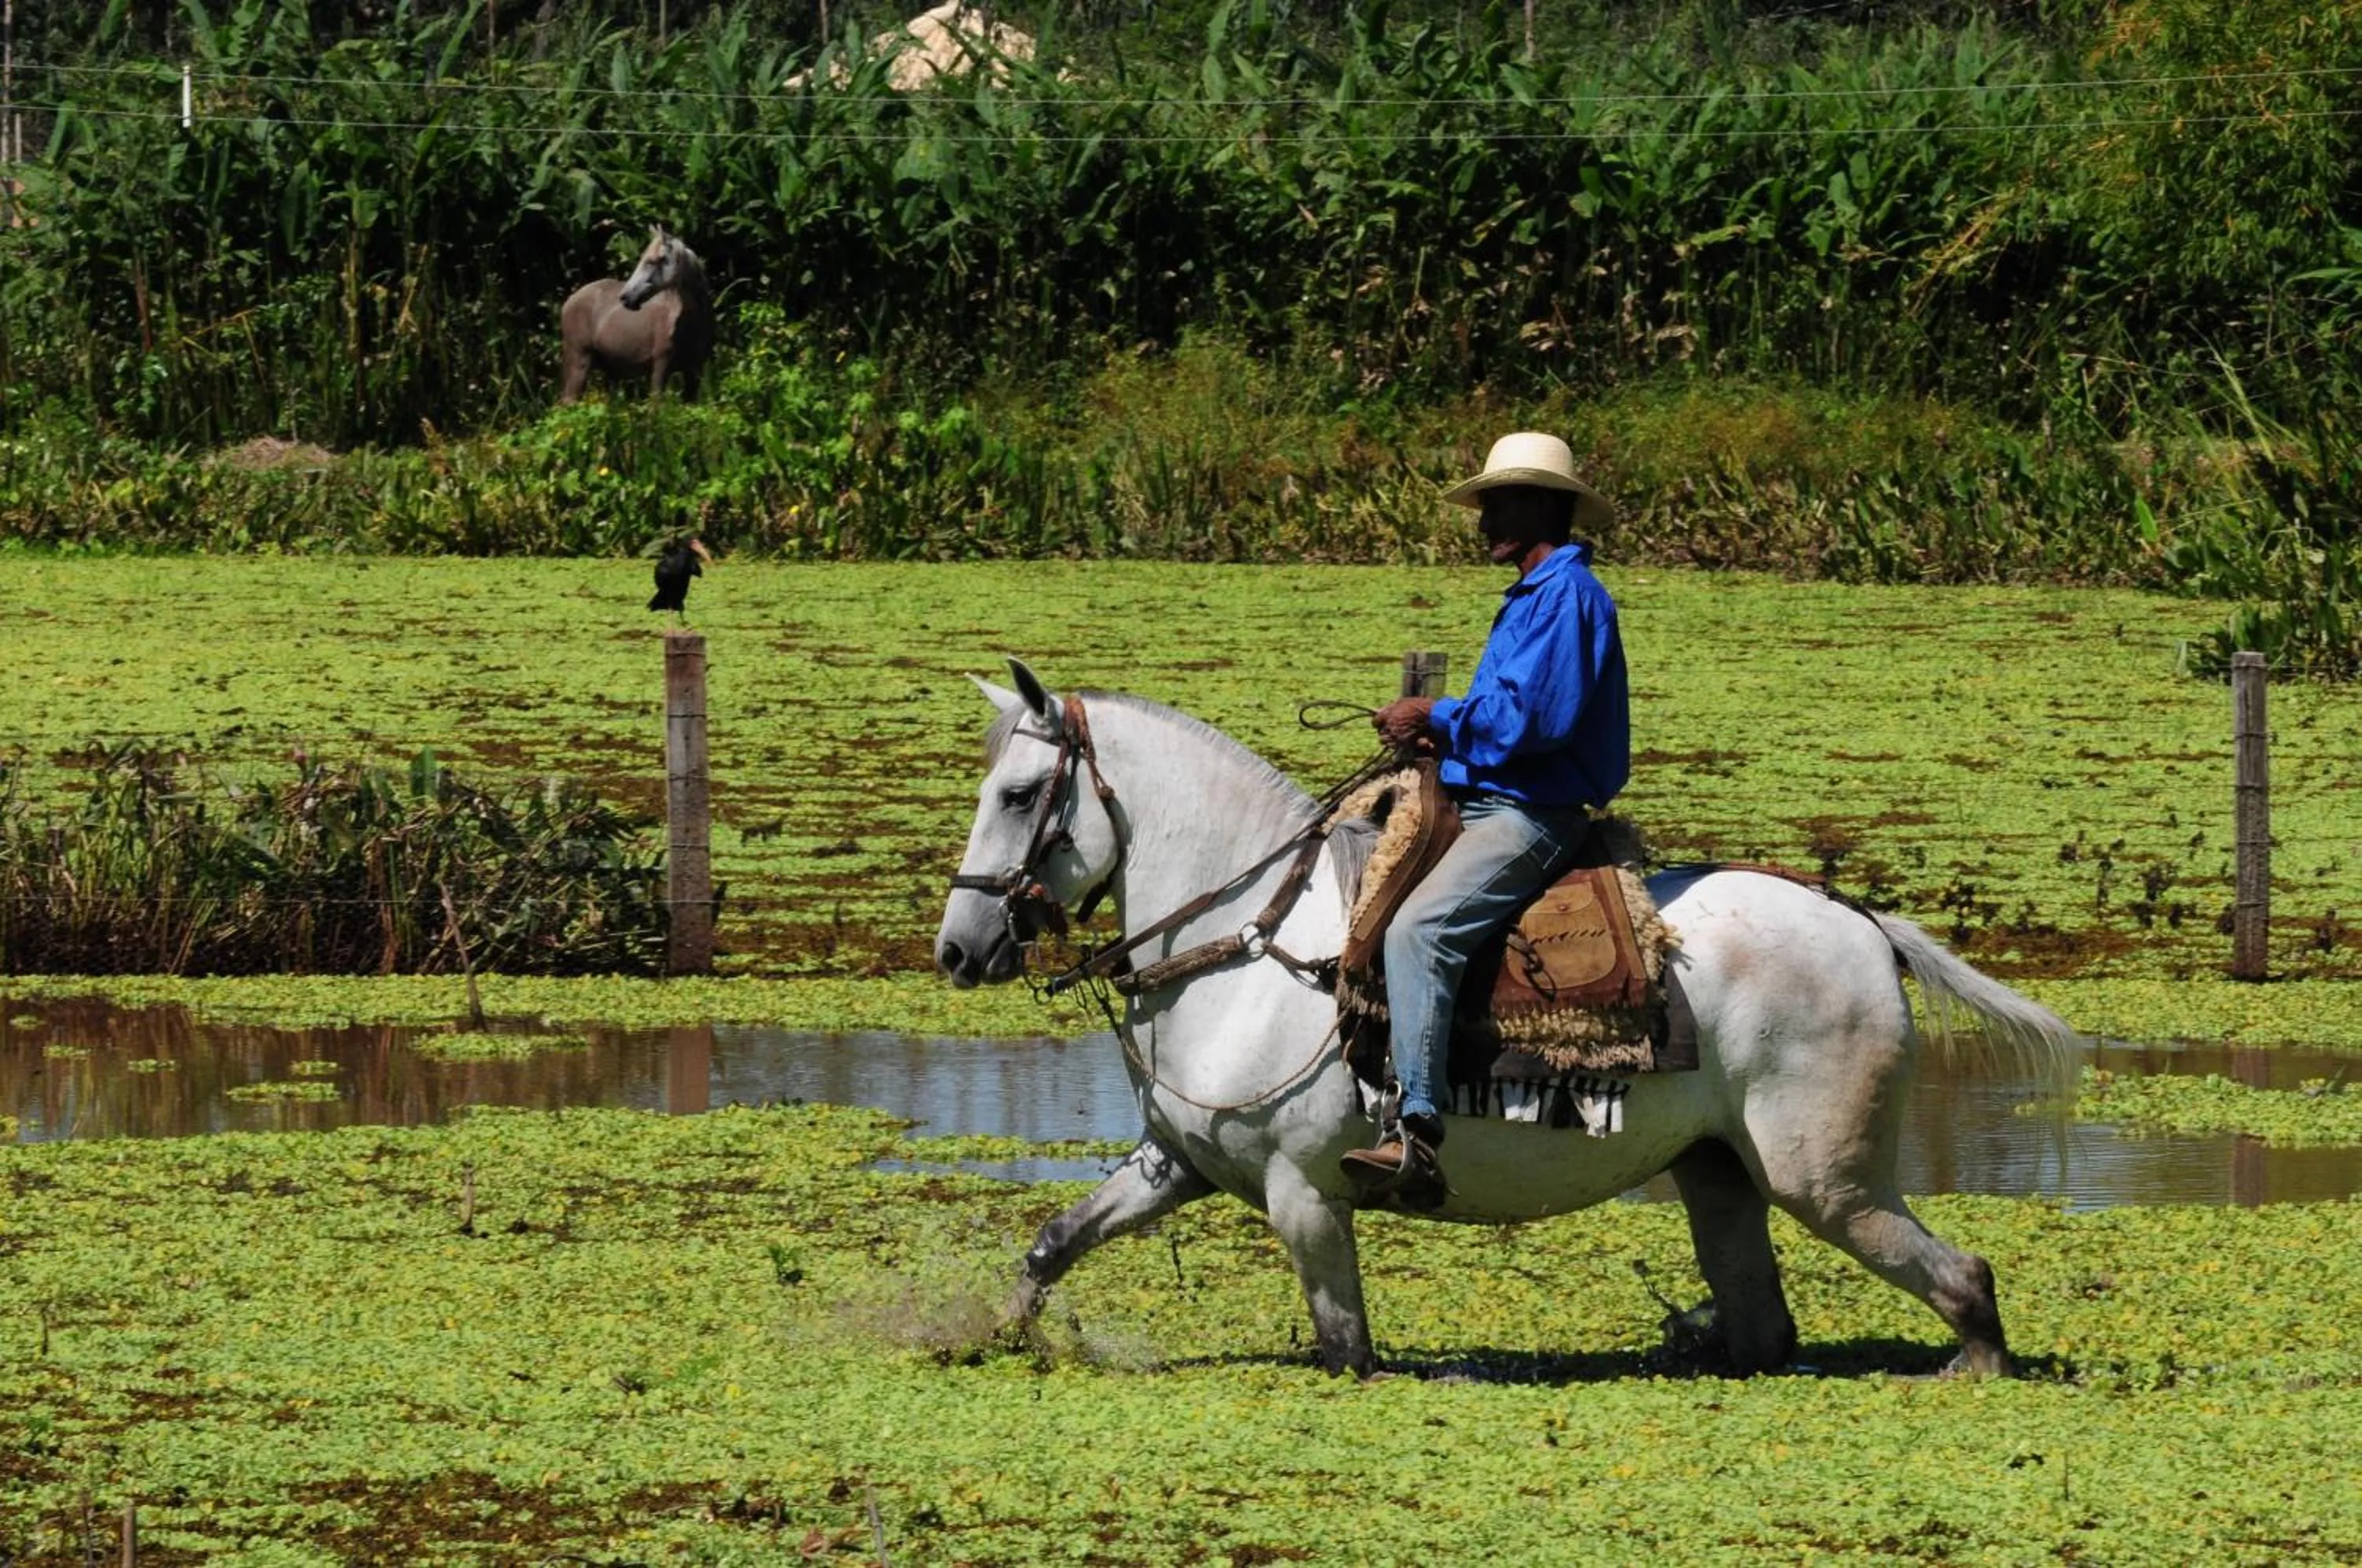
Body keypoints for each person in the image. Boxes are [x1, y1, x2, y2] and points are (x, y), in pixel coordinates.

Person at [1339, 431, 1631, 1209]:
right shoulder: (1533, 596)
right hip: (1491, 793)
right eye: (1486, 503)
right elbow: (1504, 720)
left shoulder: (1567, 598)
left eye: (1501, 502)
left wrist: (1434, 711)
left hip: (1533, 810)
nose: (1485, 520)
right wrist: (1443, 731)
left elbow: (1535, 721)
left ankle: (1417, 1129)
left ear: (1548, 506)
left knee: (1418, 931)